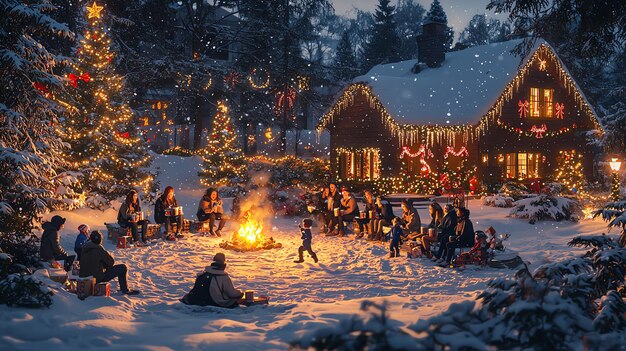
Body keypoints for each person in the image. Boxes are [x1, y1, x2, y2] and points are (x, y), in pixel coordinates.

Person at [79, 231, 139, 295]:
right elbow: (111, 262)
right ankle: (124, 290)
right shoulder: (99, 249)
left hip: (84, 278)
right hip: (96, 279)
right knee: (122, 268)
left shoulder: (84, 248)